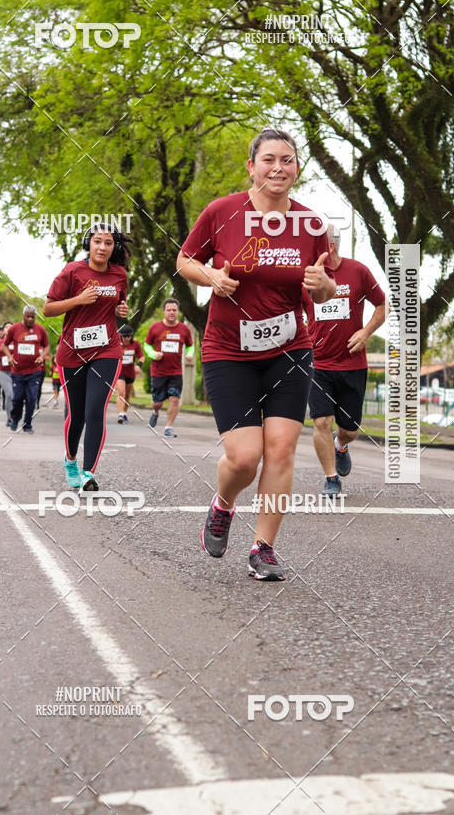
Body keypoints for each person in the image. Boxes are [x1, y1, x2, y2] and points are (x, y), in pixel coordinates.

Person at [177, 127, 335, 581]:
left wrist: (323, 286)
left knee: (281, 449)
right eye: (269, 159)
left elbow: (324, 289)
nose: (278, 168)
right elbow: (185, 261)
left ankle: (263, 548)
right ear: (251, 166)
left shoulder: (311, 225)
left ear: (297, 169)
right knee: (245, 457)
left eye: (287, 160)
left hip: (290, 348)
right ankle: (222, 505)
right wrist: (212, 279)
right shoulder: (223, 212)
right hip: (229, 349)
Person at [42, 225, 130, 490]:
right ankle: (70, 461)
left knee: (95, 410)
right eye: (97, 242)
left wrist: (122, 311)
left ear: (114, 248)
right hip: (72, 351)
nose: (102, 247)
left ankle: (88, 472)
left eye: (108, 243)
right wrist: (78, 299)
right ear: (88, 244)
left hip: (107, 348)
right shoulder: (72, 271)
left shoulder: (119, 275)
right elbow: (48, 309)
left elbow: (117, 308)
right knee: (77, 413)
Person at [302, 224, 387, 496]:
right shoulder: (306, 277)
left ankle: (341, 445)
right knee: (321, 422)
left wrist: (365, 332)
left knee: (349, 430)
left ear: (330, 247)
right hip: (318, 363)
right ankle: (331, 479)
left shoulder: (358, 271)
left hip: (352, 364)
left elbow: (382, 304)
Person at [144, 299, 194, 438]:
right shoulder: (155, 328)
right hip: (158, 371)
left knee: (174, 398)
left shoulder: (184, 329)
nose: (171, 312)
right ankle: (155, 412)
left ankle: (168, 427)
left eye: (174, 310)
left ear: (178, 312)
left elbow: (190, 345)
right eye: (169, 310)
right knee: (157, 402)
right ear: (164, 312)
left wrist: (189, 355)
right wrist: (154, 354)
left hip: (175, 371)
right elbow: (147, 345)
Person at [3, 306, 49, 433]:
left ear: (35, 317)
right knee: (17, 398)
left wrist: (41, 356)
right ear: (23, 315)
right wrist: (9, 357)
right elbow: (5, 345)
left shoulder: (40, 330)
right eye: (27, 316)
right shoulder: (14, 329)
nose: (30, 319)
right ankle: (15, 418)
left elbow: (46, 346)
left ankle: (27, 424)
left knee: (31, 399)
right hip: (17, 371)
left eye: (32, 317)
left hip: (34, 371)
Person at [116, 324, 144, 424]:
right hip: (119, 372)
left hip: (130, 373)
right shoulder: (117, 344)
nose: (126, 338)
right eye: (124, 336)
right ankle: (120, 414)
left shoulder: (135, 344)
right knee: (121, 392)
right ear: (120, 336)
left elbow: (141, 357)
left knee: (127, 395)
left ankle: (124, 412)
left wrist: (139, 365)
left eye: (128, 336)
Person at [0, 322, 14, 427]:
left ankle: (14, 415)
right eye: (6, 327)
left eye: (10, 327)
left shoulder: (17, 342)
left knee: (16, 396)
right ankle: (10, 418)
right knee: (9, 394)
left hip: (15, 371)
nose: (8, 329)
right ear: (3, 330)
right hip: (3, 371)